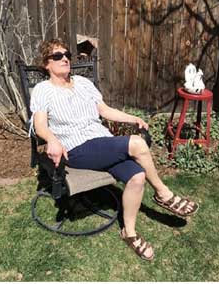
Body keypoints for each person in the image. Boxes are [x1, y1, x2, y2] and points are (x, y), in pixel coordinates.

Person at [30, 38, 199, 261]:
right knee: (137, 144)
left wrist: (132, 118)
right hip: (77, 149)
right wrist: (51, 139)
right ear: (46, 63)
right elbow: (40, 125)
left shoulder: (83, 83)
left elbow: (105, 110)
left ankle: (129, 233)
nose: (65, 59)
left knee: (137, 176)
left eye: (67, 55)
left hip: (102, 142)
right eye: (57, 56)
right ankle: (163, 193)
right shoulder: (43, 90)